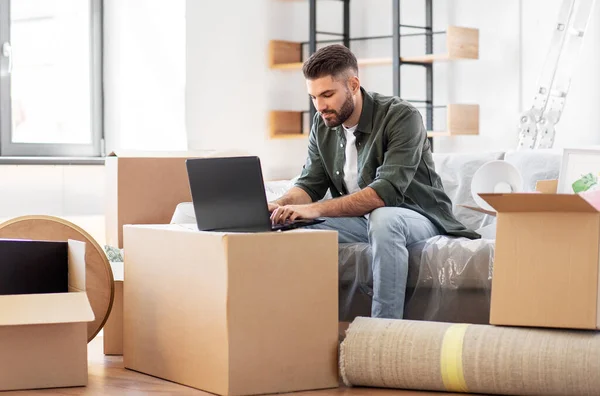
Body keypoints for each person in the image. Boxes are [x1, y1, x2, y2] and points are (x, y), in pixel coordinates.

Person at [269, 44, 480, 320]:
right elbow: (309, 185)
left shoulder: (401, 116)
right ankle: (302, 326)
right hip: (361, 220)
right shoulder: (323, 125)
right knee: (285, 225)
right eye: (313, 97)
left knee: (384, 219)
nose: (320, 106)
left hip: (418, 215)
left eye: (327, 94)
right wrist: (279, 205)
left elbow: (384, 194)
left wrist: (316, 209)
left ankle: (384, 330)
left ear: (353, 84)